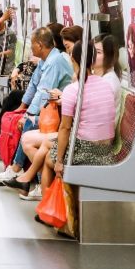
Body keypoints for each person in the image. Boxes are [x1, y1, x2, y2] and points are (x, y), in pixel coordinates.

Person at [0, 26, 73, 184]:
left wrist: (28, 115)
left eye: (32, 43)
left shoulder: (55, 62)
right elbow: (34, 84)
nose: (31, 46)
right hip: (51, 108)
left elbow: (43, 92)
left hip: (60, 111)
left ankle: (16, 168)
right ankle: (17, 168)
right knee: (23, 115)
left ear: (40, 45)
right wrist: (22, 107)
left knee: (29, 122)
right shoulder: (45, 60)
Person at [39, 38, 117, 198]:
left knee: (48, 159)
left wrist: (59, 161)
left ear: (73, 59)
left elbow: (65, 127)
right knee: (52, 148)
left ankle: (46, 206)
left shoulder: (73, 90)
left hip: (88, 150)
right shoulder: (106, 85)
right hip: (107, 148)